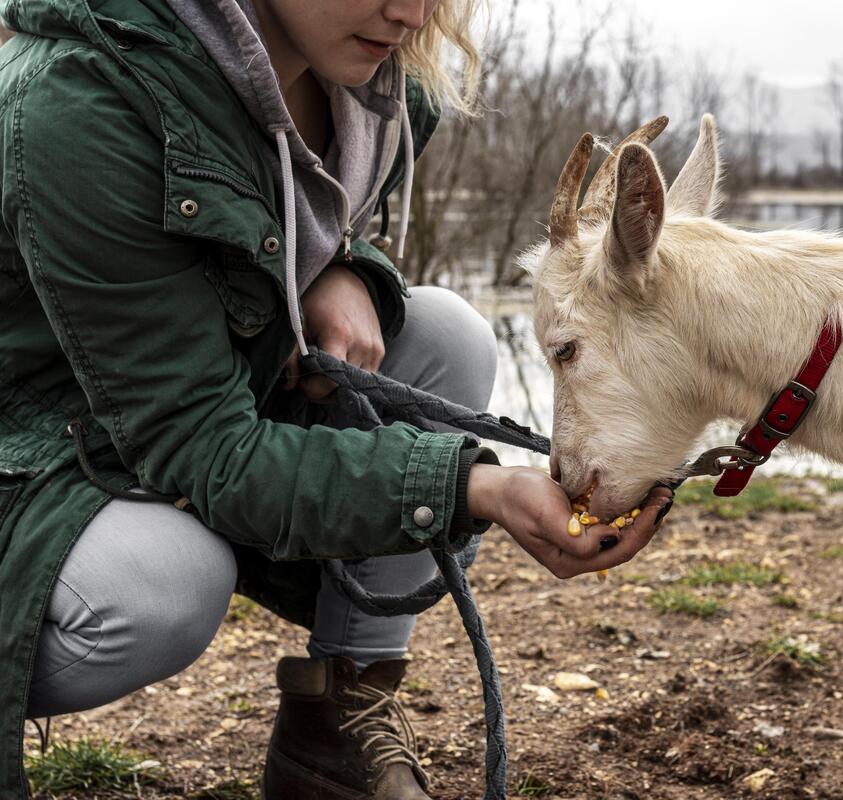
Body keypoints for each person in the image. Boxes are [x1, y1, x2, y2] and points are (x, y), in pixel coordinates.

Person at [0, 1, 674, 798]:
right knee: (166, 582)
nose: (410, 12)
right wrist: (476, 485)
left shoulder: (378, 89)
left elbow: (271, 224)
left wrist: (347, 269)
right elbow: (202, 447)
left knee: (445, 336)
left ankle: (336, 728)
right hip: (34, 457)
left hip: (159, 421)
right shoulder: (79, 102)